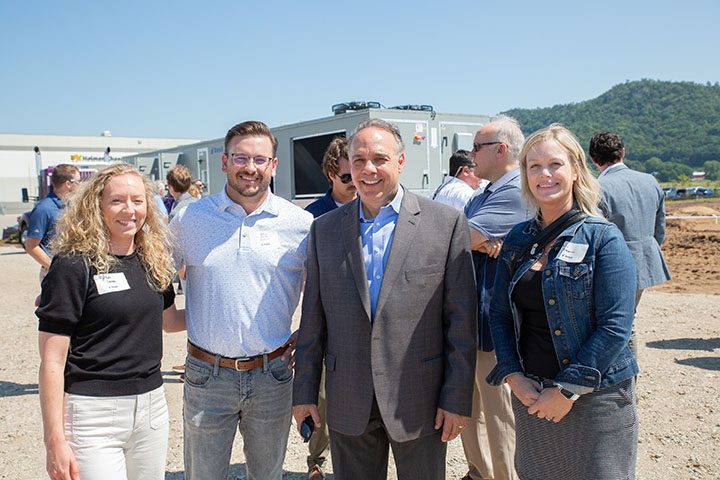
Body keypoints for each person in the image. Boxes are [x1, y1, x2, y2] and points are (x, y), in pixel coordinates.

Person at [292, 118, 477, 480]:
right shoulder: (324, 230)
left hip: (419, 399)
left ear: (401, 162)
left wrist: (456, 400)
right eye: (358, 160)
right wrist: (304, 393)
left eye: (379, 158)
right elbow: (313, 321)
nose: (368, 169)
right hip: (349, 399)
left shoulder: (445, 224)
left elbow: (461, 323)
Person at [487, 124, 639, 479]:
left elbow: (616, 326)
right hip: (532, 394)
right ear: (524, 174)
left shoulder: (604, 237)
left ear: (575, 170)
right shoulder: (517, 239)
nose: (545, 174)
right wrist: (512, 374)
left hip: (597, 397)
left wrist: (567, 390)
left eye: (555, 164)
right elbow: (499, 315)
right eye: (534, 166)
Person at [170, 120, 313, 480]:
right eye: (241, 158)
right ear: (224, 162)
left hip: (273, 375)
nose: (250, 167)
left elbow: (321, 296)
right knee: (203, 475)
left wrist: (308, 337)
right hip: (206, 376)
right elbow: (154, 277)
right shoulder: (189, 218)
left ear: (273, 166)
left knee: (267, 475)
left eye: (260, 160)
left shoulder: (300, 224)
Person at [36, 163, 186, 480]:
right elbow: (51, 359)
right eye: (117, 200)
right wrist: (54, 440)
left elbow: (170, 322)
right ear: (97, 206)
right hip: (93, 414)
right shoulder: (73, 264)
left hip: (151, 409)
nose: (129, 210)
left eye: (137, 200)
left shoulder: (153, 258)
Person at [461, 116, 530, 480]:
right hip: (474, 318)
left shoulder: (516, 190)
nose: (472, 155)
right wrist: (481, 241)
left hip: (494, 322)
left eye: (476, 147)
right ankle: (480, 472)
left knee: (498, 412)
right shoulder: (483, 193)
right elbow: (459, 233)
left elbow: (458, 237)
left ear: (500, 150)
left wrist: (478, 240)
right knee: (469, 407)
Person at [589, 132, 671, 357]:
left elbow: (594, 234)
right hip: (644, 261)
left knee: (617, 326)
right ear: (623, 152)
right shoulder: (650, 181)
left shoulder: (597, 187)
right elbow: (659, 228)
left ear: (593, 159)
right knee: (627, 321)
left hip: (612, 267)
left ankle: (625, 379)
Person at [302, 136, 356, 480]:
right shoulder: (314, 216)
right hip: (327, 318)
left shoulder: (374, 209)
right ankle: (317, 460)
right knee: (321, 395)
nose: (356, 182)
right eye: (347, 177)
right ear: (330, 176)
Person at [26, 164, 81, 272]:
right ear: (68, 184)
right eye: (78, 181)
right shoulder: (44, 209)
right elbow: (31, 246)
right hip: (55, 272)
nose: (80, 185)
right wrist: (54, 268)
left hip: (71, 269)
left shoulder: (71, 206)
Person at [305, 137, 356, 218]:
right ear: (331, 175)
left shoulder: (372, 207)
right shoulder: (313, 214)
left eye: (356, 175)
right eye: (347, 177)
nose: (353, 182)